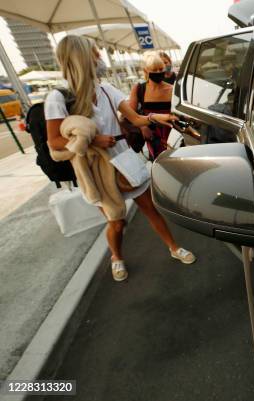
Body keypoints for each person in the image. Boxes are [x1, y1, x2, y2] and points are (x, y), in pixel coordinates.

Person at [45, 35, 196, 282]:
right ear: (81, 57)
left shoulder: (105, 89)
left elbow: (135, 119)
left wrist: (158, 117)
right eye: (94, 53)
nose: (99, 58)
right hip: (95, 168)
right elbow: (54, 142)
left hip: (124, 159)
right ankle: (116, 257)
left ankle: (173, 247)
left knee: (151, 208)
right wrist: (95, 141)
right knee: (117, 222)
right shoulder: (58, 98)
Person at [128, 51, 173, 160]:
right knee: (158, 163)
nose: (158, 72)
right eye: (154, 70)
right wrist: (142, 127)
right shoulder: (139, 88)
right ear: (146, 71)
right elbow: (130, 114)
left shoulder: (172, 88)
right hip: (152, 136)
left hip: (171, 134)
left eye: (161, 69)